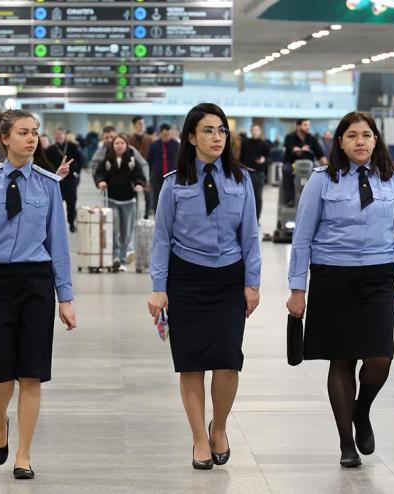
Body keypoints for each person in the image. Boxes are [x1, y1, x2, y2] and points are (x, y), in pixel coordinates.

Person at [286, 111, 394, 468]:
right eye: (352, 136)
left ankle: (361, 410)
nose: (360, 141)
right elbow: (302, 238)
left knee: (380, 358)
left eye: (366, 135)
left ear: (376, 140)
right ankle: (347, 443)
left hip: (378, 278)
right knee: (341, 358)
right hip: (332, 278)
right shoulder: (321, 180)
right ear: (340, 142)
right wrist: (297, 288)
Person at [0, 110, 77, 480]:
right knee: (1, 372)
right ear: (4, 138)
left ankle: (23, 454)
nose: (31, 139)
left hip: (36, 282)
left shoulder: (48, 184)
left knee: (31, 373)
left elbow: (58, 244)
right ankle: (0, 420)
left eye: (35, 133)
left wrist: (65, 297)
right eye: (23, 132)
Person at [147, 103, 261, 470]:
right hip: (186, 279)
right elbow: (161, 239)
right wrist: (159, 287)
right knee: (191, 363)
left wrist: (252, 282)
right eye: (209, 130)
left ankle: (219, 427)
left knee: (228, 360)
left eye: (222, 130)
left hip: (228, 278)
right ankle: (198, 438)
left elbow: (251, 235)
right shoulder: (173, 183)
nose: (217, 137)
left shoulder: (241, 180)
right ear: (192, 138)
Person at [93, 135, 147, 271]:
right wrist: (100, 182)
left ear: (126, 145)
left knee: (126, 232)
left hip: (129, 201)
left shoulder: (132, 160)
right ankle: (115, 257)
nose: (119, 146)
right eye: (117, 143)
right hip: (112, 200)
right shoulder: (107, 160)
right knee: (114, 230)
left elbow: (139, 176)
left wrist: (139, 184)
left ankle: (122, 259)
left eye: (122, 143)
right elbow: (99, 174)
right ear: (113, 146)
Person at [45, 127, 85, 233]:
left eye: (60, 134)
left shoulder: (72, 146)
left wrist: (76, 172)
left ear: (64, 135)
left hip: (70, 179)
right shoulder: (51, 149)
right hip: (56, 179)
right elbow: (46, 163)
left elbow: (81, 160)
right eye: (56, 134)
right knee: (57, 202)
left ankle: (71, 222)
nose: (58, 136)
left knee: (71, 202)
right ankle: (57, 225)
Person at [283, 119, 328, 206]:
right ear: (298, 126)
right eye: (305, 125)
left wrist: (325, 162)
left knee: (319, 172)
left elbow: (320, 153)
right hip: (292, 163)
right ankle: (290, 199)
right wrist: (301, 149)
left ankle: (316, 198)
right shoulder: (289, 137)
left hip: (309, 164)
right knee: (286, 170)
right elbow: (292, 149)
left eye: (308, 125)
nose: (308, 127)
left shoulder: (311, 138)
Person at [239, 124, 271, 222]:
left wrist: (264, 159)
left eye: (257, 130)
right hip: (245, 173)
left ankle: (256, 219)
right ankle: (244, 219)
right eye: (253, 130)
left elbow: (269, 158)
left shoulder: (264, 144)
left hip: (258, 173)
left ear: (260, 132)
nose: (255, 132)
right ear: (251, 131)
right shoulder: (245, 143)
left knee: (257, 197)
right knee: (244, 196)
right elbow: (240, 157)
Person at [147, 123, 180, 215]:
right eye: (165, 135)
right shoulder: (154, 145)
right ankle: (157, 216)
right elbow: (149, 161)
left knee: (171, 198)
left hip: (172, 176)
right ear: (160, 134)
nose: (167, 137)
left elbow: (180, 160)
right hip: (157, 176)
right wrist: (149, 176)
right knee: (157, 198)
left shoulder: (176, 145)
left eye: (168, 134)